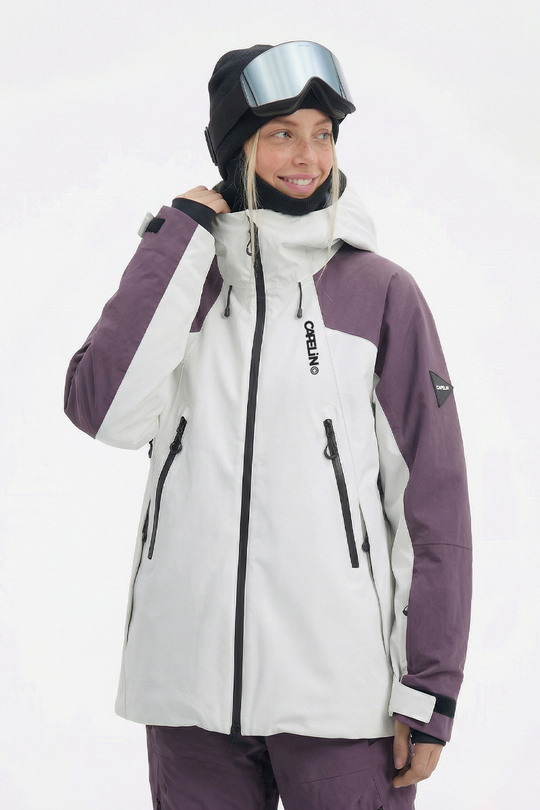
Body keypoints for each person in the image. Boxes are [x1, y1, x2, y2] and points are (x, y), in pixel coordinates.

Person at [64, 41, 472, 810]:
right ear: (235, 146)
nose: (308, 157)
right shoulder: (184, 282)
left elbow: (433, 507)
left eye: (323, 133)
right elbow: (103, 412)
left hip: (341, 702)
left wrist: (429, 690)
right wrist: (177, 236)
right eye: (282, 133)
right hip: (186, 694)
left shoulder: (381, 293)